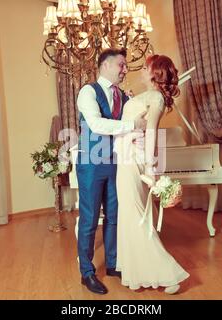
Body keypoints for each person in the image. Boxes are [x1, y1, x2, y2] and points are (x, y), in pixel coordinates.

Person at [114, 54, 190, 294]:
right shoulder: (147, 97)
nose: (142, 70)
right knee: (131, 214)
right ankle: (137, 271)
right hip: (126, 157)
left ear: (155, 73)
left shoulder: (156, 98)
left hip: (132, 160)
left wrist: (149, 168)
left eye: (146, 67)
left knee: (135, 215)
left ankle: (168, 275)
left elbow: (152, 133)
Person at [76, 48, 148, 295]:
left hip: (116, 163)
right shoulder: (88, 91)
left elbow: (136, 120)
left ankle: (114, 263)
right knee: (89, 220)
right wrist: (132, 124)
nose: (125, 69)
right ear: (105, 65)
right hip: (90, 164)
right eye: (121, 64)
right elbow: (96, 124)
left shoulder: (122, 96)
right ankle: (86, 273)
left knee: (114, 216)